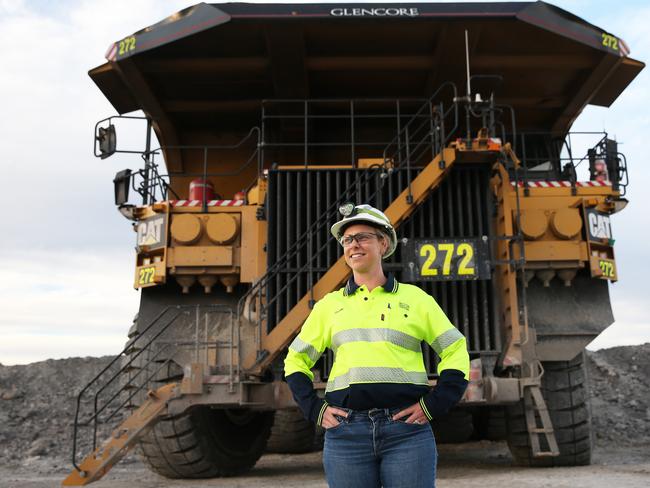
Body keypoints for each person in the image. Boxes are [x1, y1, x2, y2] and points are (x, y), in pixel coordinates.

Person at [284, 203, 470, 488]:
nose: (353, 245)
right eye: (347, 240)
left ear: (383, 243)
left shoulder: (416, 299)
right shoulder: (329, 306)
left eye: (363, 237)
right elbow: (296, 360)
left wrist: (435, 403)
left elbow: (454, 348)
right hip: (347, 435)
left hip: (407, 432)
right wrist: (314, 409)